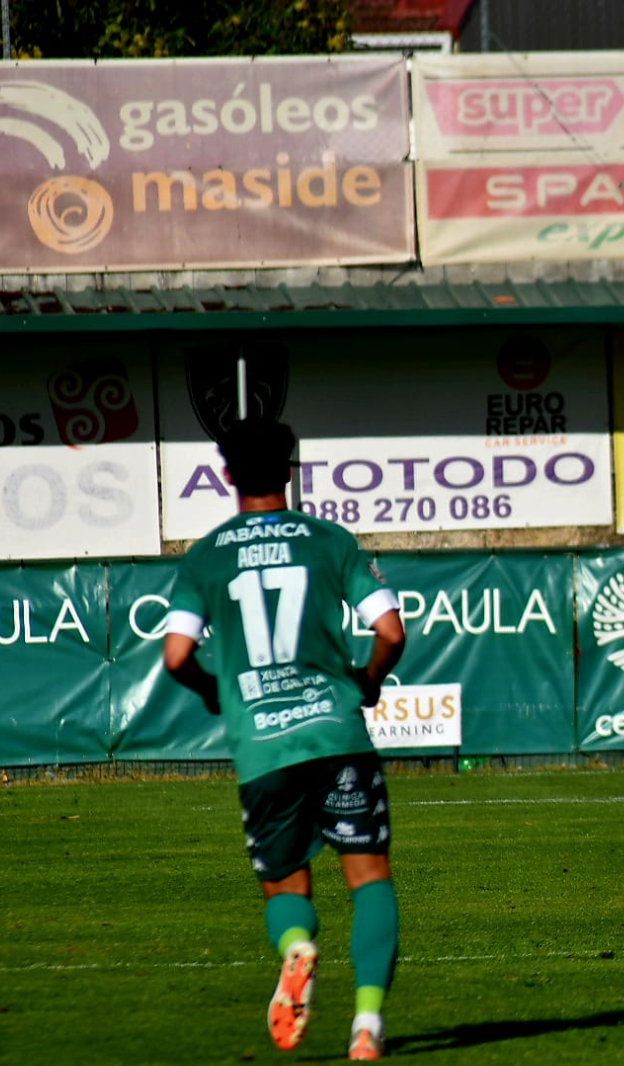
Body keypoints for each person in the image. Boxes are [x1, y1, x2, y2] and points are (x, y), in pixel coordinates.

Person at [162, 420, 407, 1061]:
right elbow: (390, 631)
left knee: (284, 887)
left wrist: (216, 690)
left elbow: (176, 654)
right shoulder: (329, 540)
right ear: (290, 471)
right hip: (336, 734)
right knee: (369, 879)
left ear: (227, 475)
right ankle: (367, 1028)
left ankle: (297, 947)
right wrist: (368, 681)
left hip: (262, 747)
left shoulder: (206, 556)